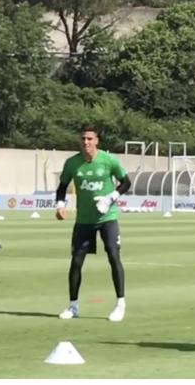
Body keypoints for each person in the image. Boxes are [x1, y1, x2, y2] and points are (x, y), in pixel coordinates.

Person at [55, 126, 131, 322]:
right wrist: (60, 205)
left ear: (97, 141)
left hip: (107, 218)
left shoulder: (109, 160)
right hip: (84, 220)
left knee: (114, 256)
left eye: (89, 139)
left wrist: (110, 198)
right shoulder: (72, 163)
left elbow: (126, 182)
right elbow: (62, 186)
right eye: (83, 139)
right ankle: (73, 306)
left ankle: (120, 304)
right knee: (76, 262)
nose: (86, 142)